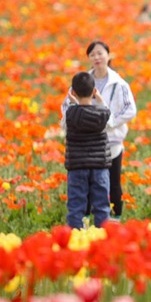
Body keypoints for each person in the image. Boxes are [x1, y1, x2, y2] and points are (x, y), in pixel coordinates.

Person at [61, 41, 137, 220]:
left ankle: (109, 218)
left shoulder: (119, 83)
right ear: (88, 58)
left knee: (113, 184)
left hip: (111, 144)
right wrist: (102, 116)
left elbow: (130, 110)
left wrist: (111, 123)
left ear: (108, 55)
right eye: (92, 54)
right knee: (97, 189)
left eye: (100, 53)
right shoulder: (82, 80)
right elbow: (65, 106)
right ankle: (98, 222)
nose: (97, 57)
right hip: (86, 144)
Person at [64, 72, 112, 229]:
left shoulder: (70, 114)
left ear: (74, 93)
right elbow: (106, 111)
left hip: (77, 167)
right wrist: (100, 100)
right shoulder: (102, 114)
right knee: (101, 206)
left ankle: (75, 236)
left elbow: (68, 120)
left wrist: (73, 103)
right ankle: (102, 237)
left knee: (76, 206)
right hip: (99, 167)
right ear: (94, 91)